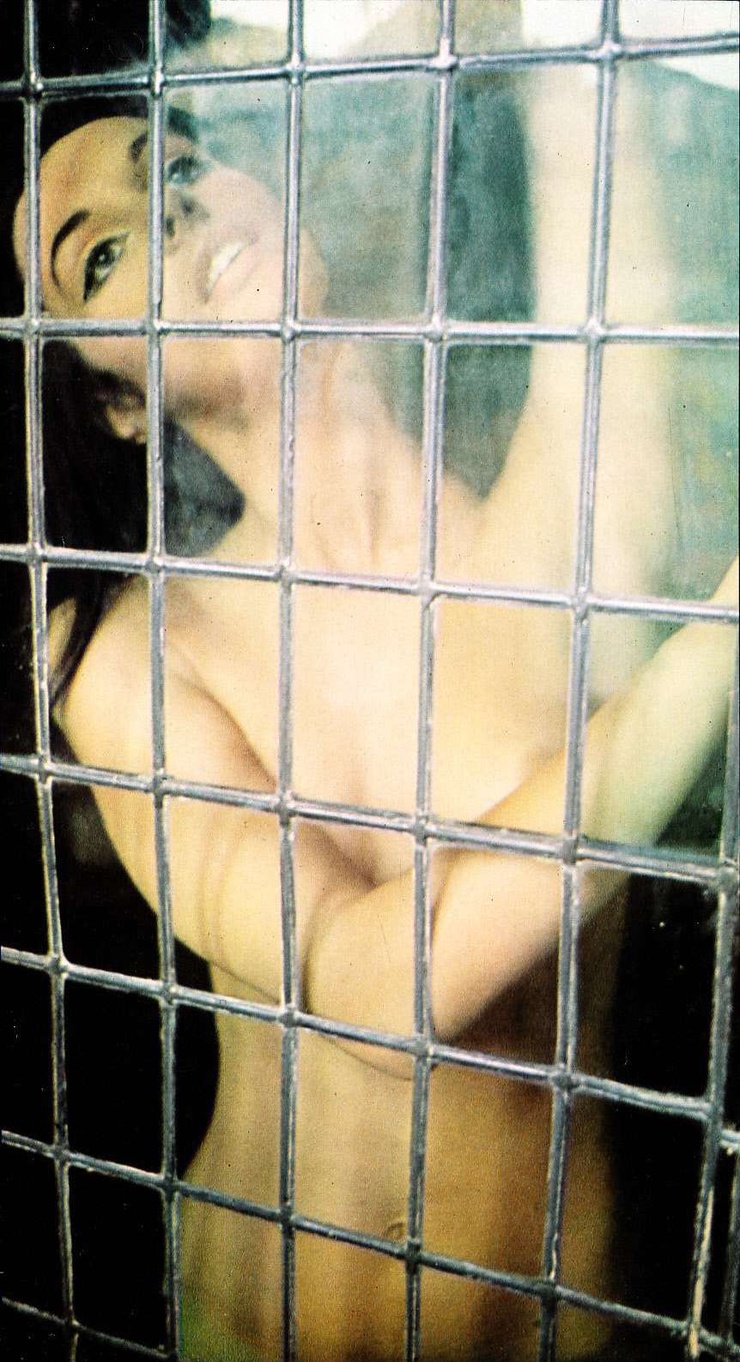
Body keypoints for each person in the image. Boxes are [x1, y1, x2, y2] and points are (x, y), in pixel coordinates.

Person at [5, 53, 737, 1362]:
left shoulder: (546, 529)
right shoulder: (136, 650)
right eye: (99, 259)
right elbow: (379, 991)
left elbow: (601, 151)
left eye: (176, 165)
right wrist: (715, 649)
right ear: (116, 400)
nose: (168, 210)